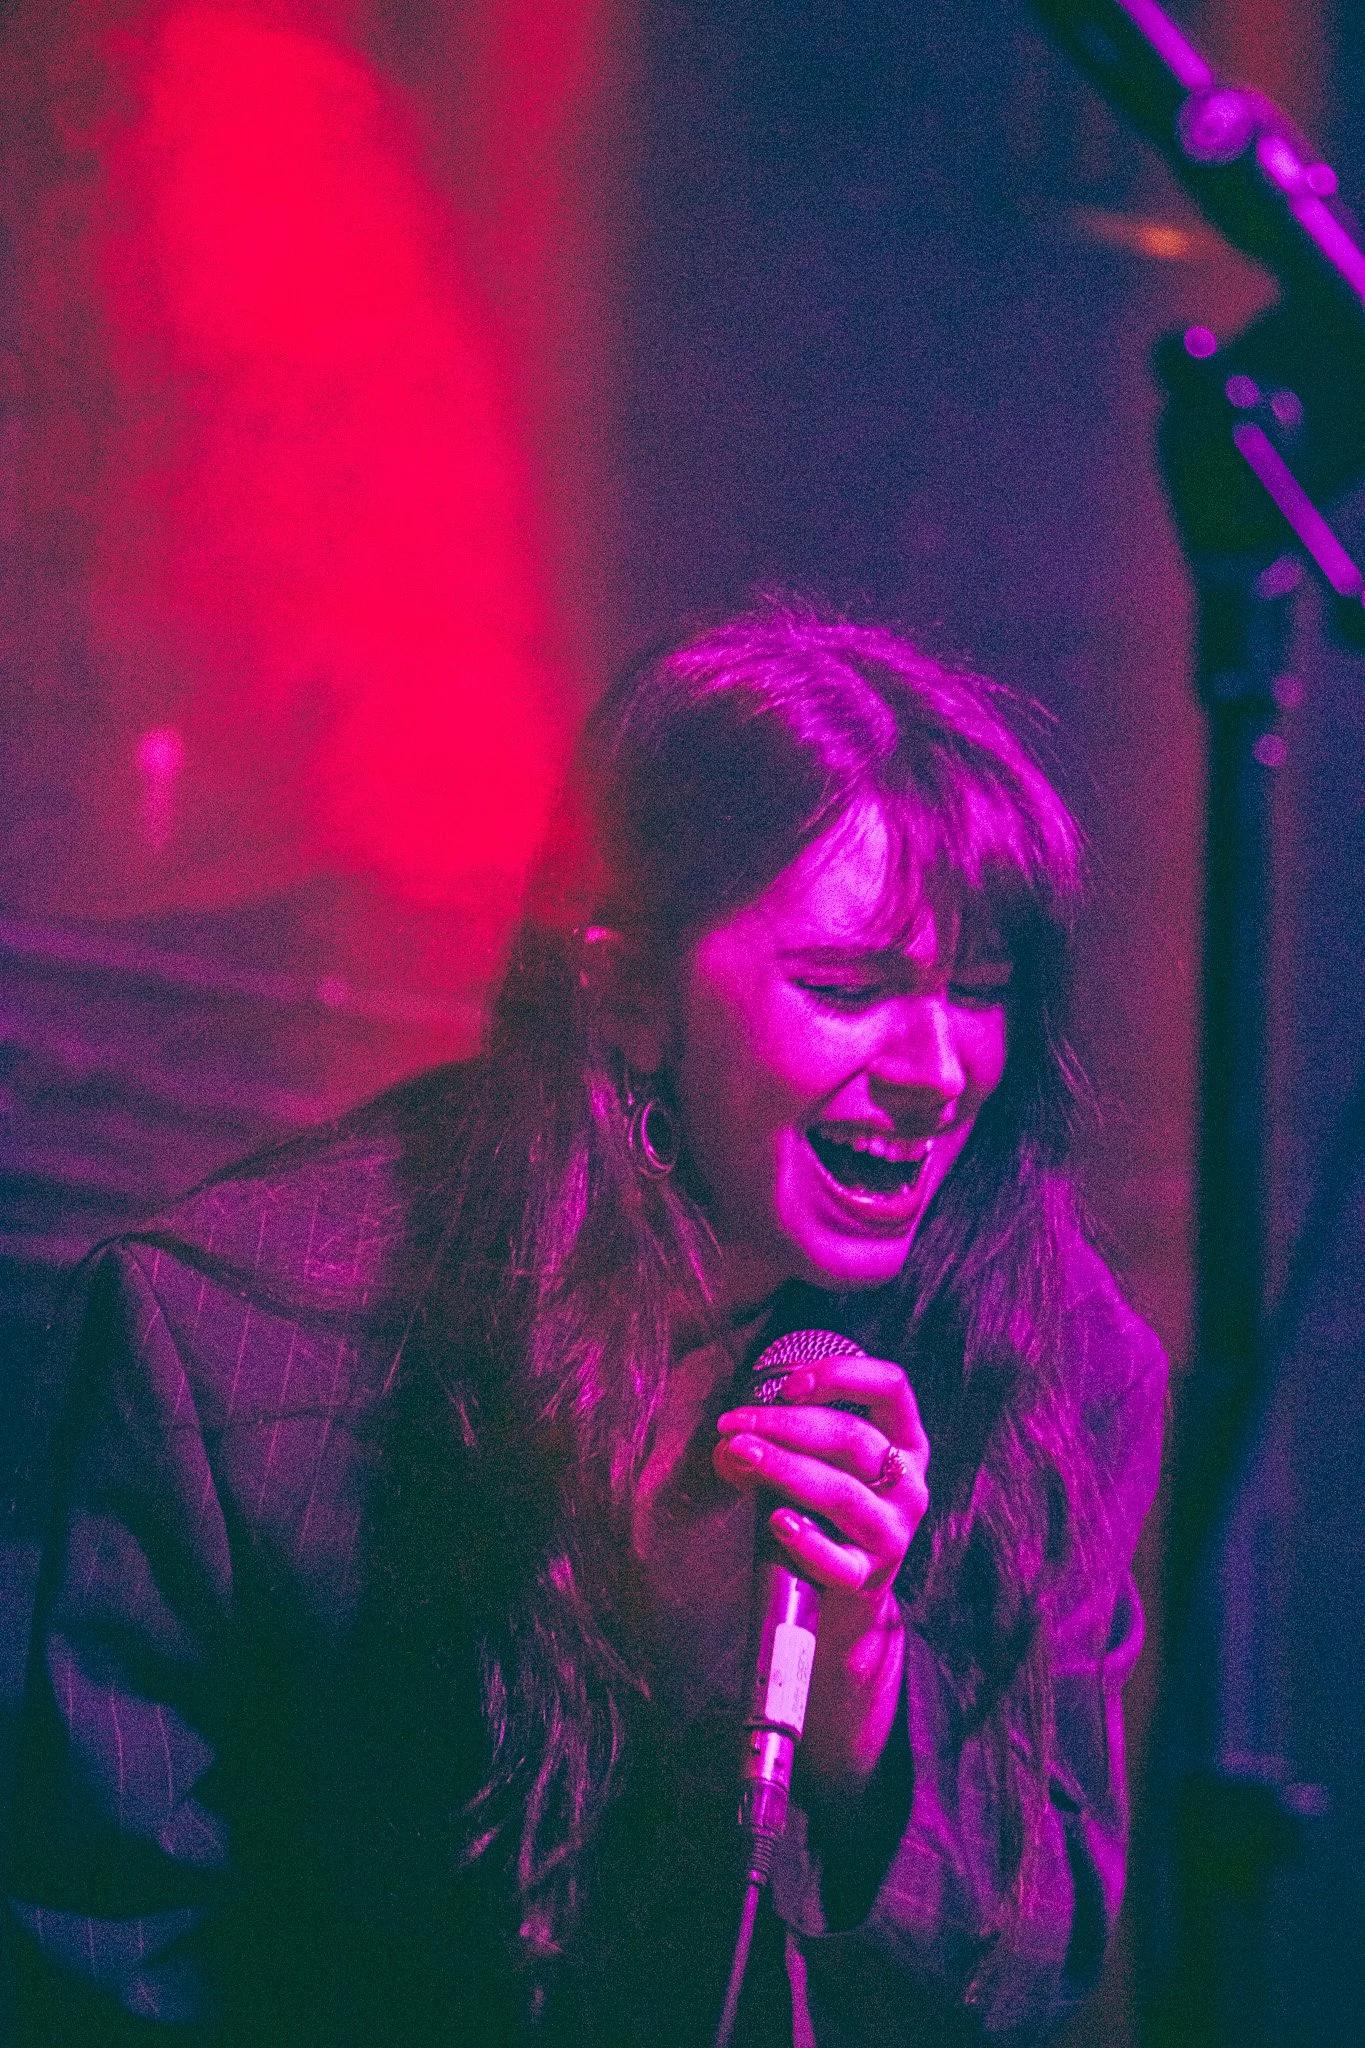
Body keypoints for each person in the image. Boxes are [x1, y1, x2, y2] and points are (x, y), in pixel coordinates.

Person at [6, 605, 1166, 2045]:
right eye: (849, 987)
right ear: (625, 995)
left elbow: (1026, 1988)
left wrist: (862, 1709)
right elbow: (93, 1949)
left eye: (981, 995)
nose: (938, 1068)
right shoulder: (236, 1340)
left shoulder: (1055, 1360)